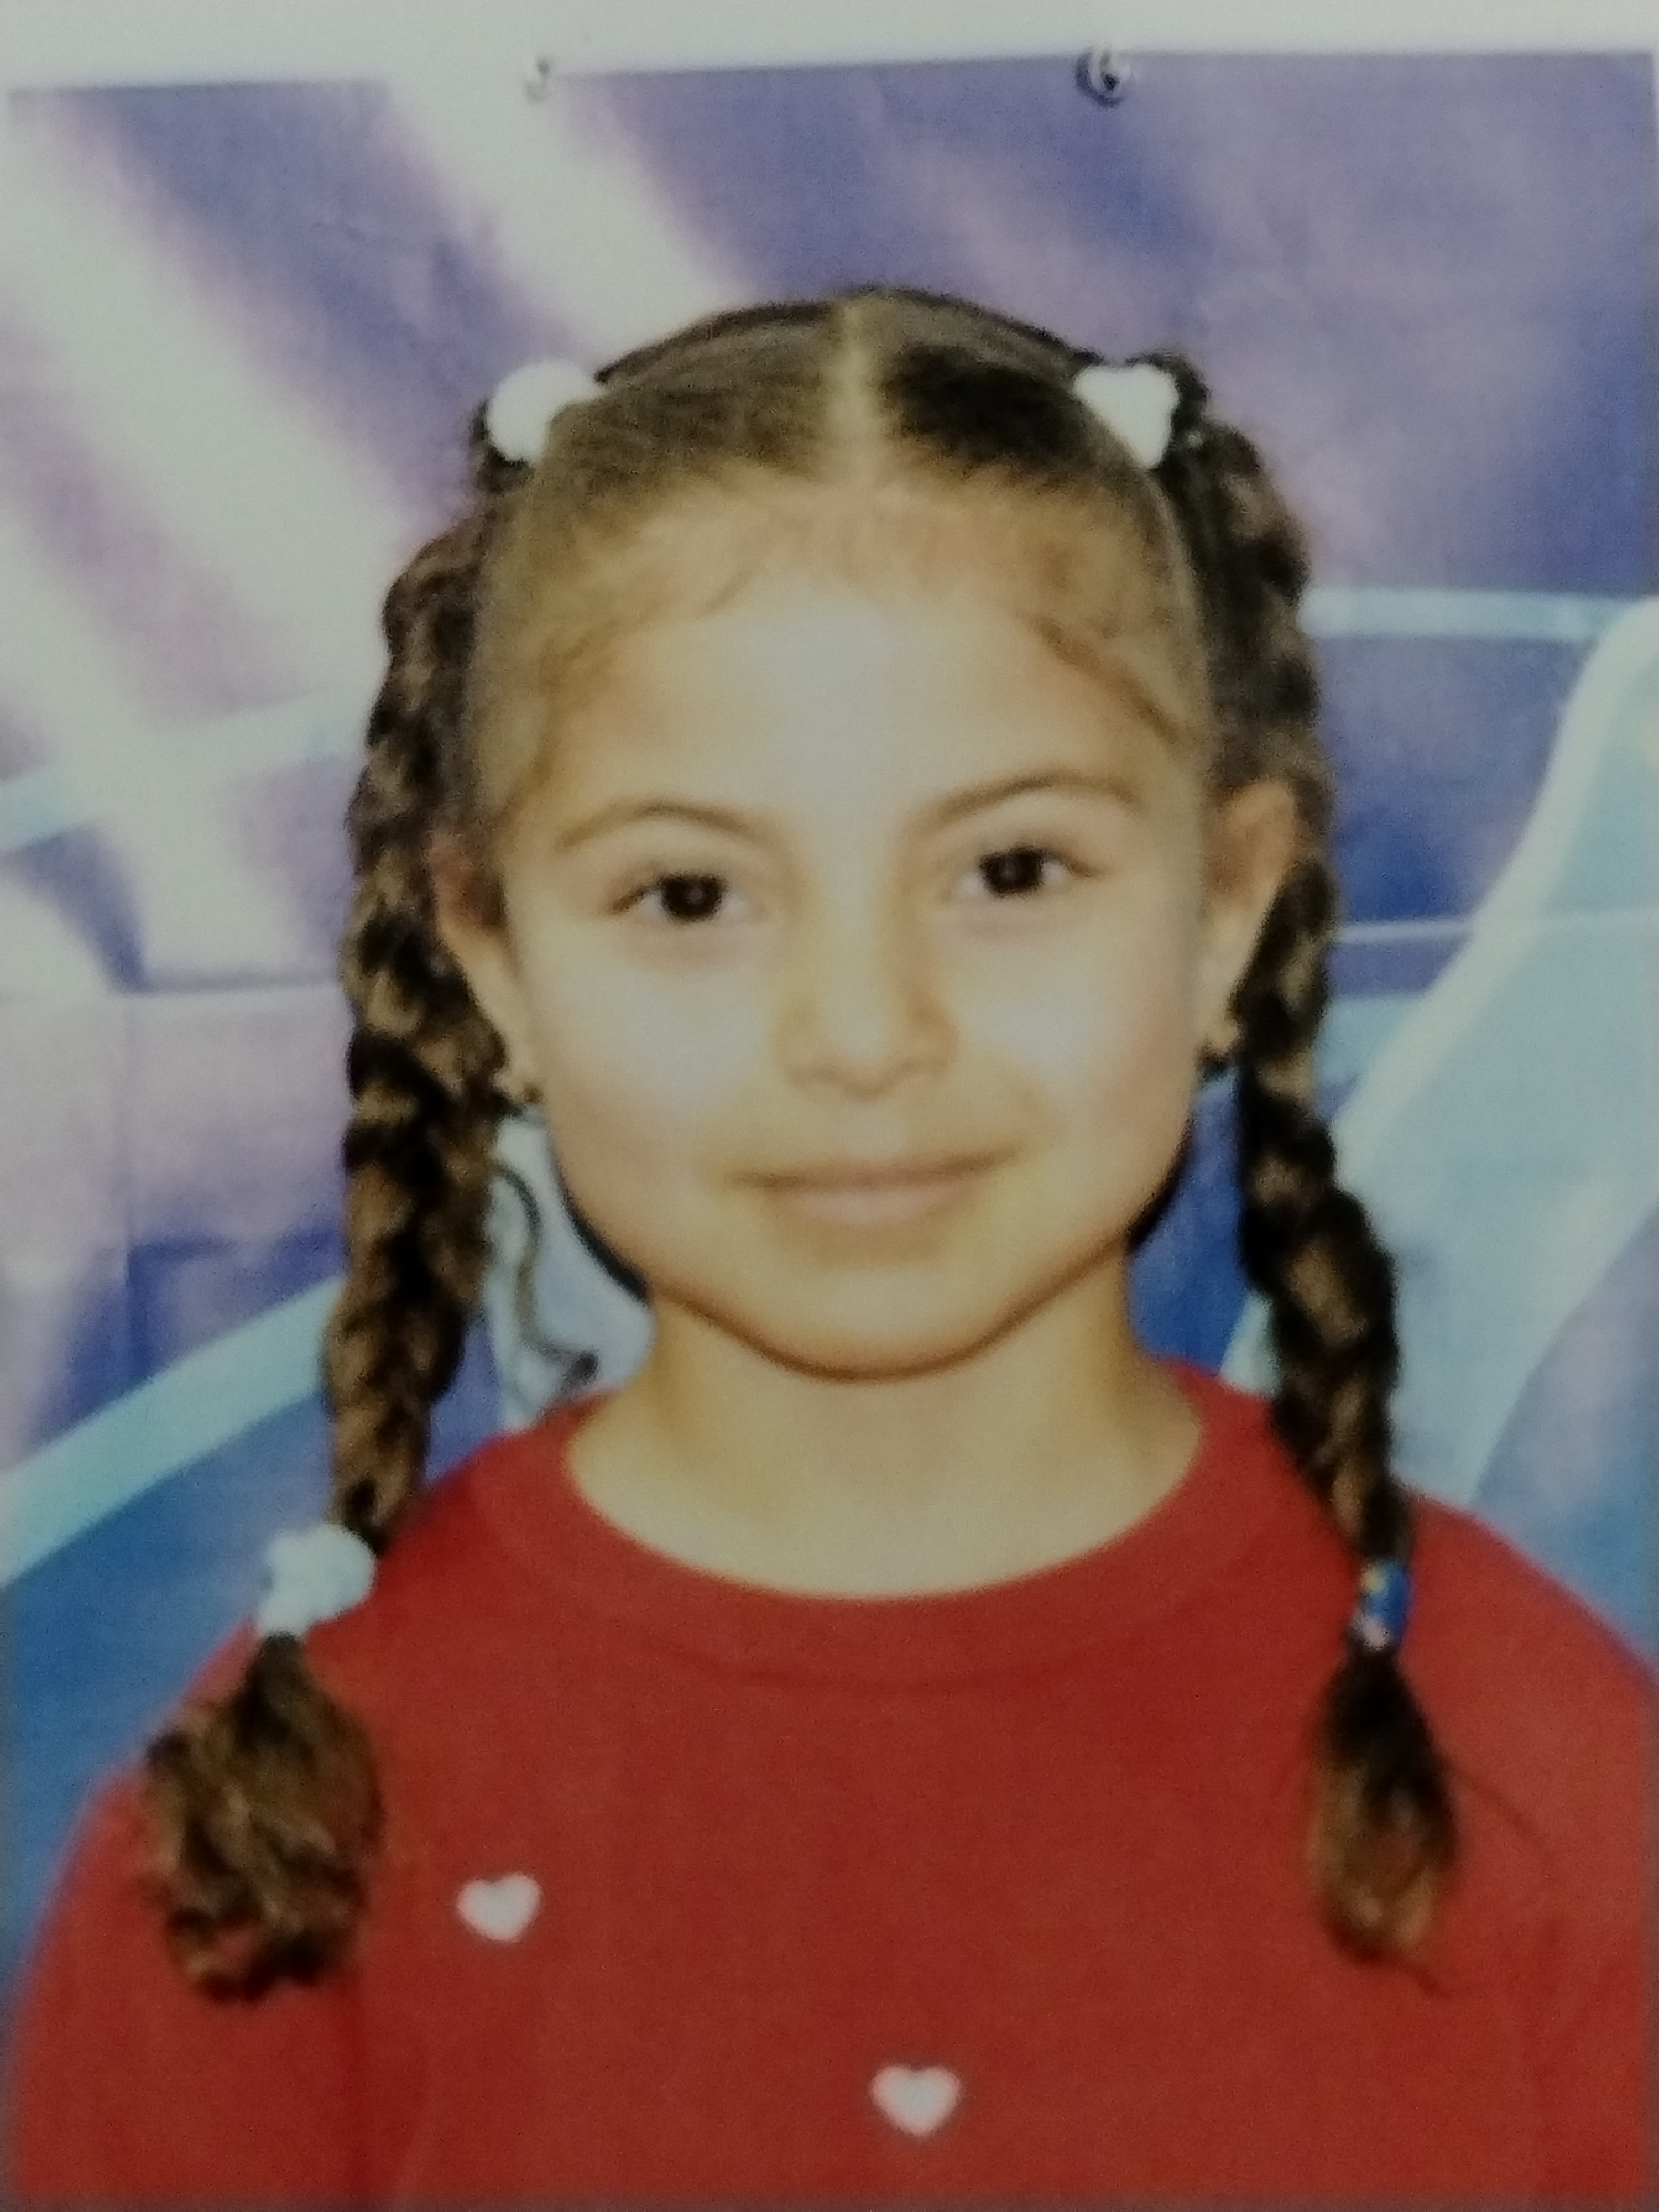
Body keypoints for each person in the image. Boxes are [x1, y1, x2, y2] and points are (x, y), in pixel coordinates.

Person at [9, 288, 1648, 2201]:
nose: (863, 1032)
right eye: (690, 894)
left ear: (1228, 912)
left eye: (1011, 870)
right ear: (494, 964)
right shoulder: (274, 1846)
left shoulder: (1539, 1766)